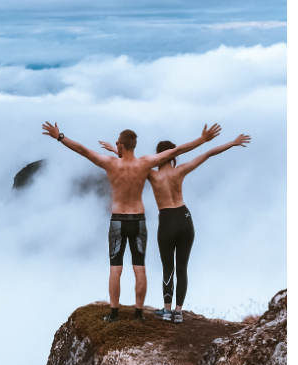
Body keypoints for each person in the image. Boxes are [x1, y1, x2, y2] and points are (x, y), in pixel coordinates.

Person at [42, 121, 222, 322]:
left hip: (118, 219)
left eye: (117, 143)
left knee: (115, 269)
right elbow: (177, 150)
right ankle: (139, 313)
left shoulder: (110, 163)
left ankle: (114, 312)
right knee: (140, 268)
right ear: (134, 145)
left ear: (120, 145)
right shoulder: (145, 164)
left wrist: (60, 137)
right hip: (139, 219)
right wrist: (202, 140)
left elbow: (83, 150)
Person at [99, 131, 251, 323]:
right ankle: (178, 312)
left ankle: (167, 309)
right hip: (185, 218)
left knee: (168, 267)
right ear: (173, 155)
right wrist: (232, 142)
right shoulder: (181, 171)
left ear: (160, 155)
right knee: (182, 268)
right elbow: (208, 153)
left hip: (168, 220)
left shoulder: (152, 175)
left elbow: (131, 165)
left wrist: (116, 150)